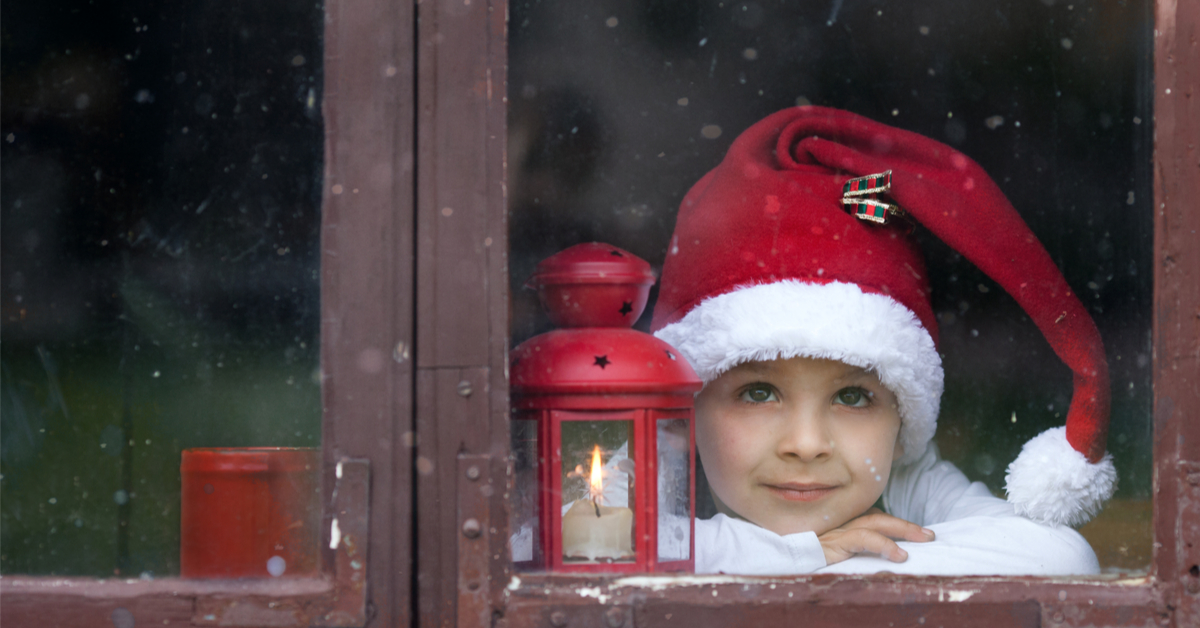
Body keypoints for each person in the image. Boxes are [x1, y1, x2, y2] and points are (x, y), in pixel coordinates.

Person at [650, 106, 1117, 575]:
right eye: (758, 392)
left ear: (901, 422)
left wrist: (813, 568)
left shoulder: (904, 482)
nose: (807, 444)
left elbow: (1059, 557)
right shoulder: (649, 470)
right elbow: (592, 547)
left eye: (852, 396)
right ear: (686, 410)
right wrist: (804, 555)